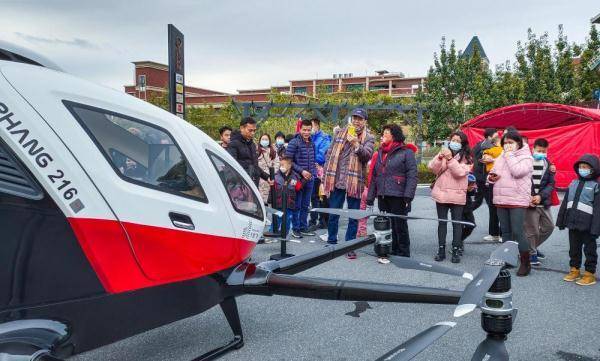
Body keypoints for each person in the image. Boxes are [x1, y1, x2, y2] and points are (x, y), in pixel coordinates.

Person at [323, 108, 375, 258]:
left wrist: (356, 144)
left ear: (365, 121)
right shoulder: (339, 133)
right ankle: (331, 242)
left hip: (355, 181)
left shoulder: (369, 138)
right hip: (337, 179)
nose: (356, 121)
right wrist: (324, 178)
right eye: (354, 118)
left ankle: (349, 246)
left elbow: (367, 156)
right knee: (334, 212)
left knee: (354, 216)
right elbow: (329, 155)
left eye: (360, 119)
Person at [366, 124, 417, 257]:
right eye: (383, 132)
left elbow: (412, 175)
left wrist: (408, 196)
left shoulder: (406, 152)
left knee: (400, 224)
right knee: (388, 224)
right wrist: (370, 198)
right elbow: (375, 175)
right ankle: (392, 248)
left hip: (399, 195)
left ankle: (404, 251)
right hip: (383, 194)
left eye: (387, 132)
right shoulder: (380, 152)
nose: (384, 134)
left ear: (394, 135)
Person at [487, 130, 533, 276]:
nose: (507, 146)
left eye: (511, 143)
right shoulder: (501, 156)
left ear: (519, 143)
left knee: (518, 231)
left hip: (517, 199)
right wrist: (491, 178)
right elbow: (493, 172)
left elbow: (517, 171)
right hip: (501, 198)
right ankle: (506, 258)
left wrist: (509, 155)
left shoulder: (526, 157)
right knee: (505, 231)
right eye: (505, 143)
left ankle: (526, 262)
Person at [428, 131, 472, 263]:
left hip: (457, 196)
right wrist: (440, 157)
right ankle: (441, 249)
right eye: (453, 140)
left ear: (463, 144)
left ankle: (456, 249)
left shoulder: (467, 158)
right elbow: (432, 168)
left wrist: (450, 159)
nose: (455, 143)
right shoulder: (444, 152)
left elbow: (459, 172)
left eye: (458, 141)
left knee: (456, 224)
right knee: (442, 223)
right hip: (441, 194)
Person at [557, 154, 600, 286]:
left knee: (589, 249)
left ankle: (589, 273)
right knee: (574, 248)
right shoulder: (573, 183)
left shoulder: (595, 186)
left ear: (593, 169)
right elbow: (565, 203)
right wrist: (561, 221)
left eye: (586, 167)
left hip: (588, 226)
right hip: (572, 223)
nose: (583, 169)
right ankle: (574, 269)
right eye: (581, 167)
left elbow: (598, 209)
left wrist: (595, 228)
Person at [523, 138, 555, 266]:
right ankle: (531, 254)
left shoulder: (548, 164)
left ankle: (531, 248)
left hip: (543, 202)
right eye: (538, 150)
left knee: (549, 227)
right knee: (532, 230)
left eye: (543, 151)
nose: (541, 153)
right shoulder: (526, 162)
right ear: (533, 149)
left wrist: (541, 196)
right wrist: (529, 197)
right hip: (529, 202)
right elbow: (522, 182)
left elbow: (551, 183)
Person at [285, 119, 317, 238]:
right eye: (304, 130)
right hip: (297, 178)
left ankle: (303, 227)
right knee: (296, 205)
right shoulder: (294, 142)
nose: (306, 132)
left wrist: (312, 173)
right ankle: (296, 228)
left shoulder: (312, 143)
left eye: (309, 130)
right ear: (300, 129)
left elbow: (313, 161)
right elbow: (288, 161)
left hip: (310, 179)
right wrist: (302, 171)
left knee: (305, 205)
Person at [472, 128, 502, 242]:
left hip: (486, 178)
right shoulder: (485, 146)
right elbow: (479, 159)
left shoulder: (481, 145)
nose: (497, 138)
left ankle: (497, 232)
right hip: (485, 179)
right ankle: (495, 232)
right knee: (491, 205)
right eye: (495, 136)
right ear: (489, 137)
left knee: (484, 202)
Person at [227, 117, 272, 187]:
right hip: (241, 185)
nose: (253, 133)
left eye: (254, 130)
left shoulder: (252, 144)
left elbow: (254, 166)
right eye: (250, 130)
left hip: (253, 183)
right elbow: (232, 167)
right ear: (242, 128)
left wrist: (266, 177)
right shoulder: (233, 144)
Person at [270, 157, 305, 237]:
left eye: (283, 165)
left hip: (289, 203)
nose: (281, 166)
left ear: (289, 166)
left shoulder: (295, 176)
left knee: (287, 219)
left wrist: (301, 182)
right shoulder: (276, 176)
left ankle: (284, 234)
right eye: (280, 164)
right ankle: (272, 232)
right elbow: (273, 188)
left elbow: (298, 187)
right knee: (277, 218)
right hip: (279, 202)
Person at [309, 118, 331, 230]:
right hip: (311, 171)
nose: (310, 129)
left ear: (317, 126)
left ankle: (323, 220)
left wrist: (310, 159)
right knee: (313, 197)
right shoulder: (309, 137)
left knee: (321, 197)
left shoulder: (324, 138)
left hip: (320, 172)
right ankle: (313, 220)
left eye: (311, 126)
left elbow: (323, 155)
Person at [257, 133, 279, 204]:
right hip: (259, 178)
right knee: (259, 201)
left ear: (269, 141)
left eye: (266, 139)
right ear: (260, 140)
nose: (264, 141)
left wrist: (272, 173)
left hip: (270, 178)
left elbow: (277, 163)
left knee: (268, 201)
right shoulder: (256, 151)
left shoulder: (273, 151)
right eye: (263, 139)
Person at [461, 173, 478, 245]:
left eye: (473, 183)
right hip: (458, 208)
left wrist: (471, 190)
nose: (472, 185)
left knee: (471, 225)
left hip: (468, 209)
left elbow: (473, 194)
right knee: (459, 227)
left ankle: (460, 239)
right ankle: (457, 244)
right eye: (470, 183)